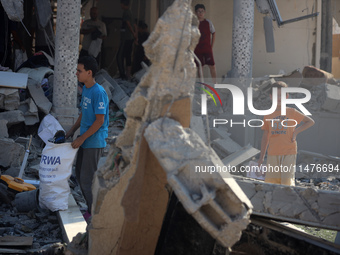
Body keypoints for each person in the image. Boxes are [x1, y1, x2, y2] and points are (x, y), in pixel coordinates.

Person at [66, 56, 109, 217]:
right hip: (84, 139)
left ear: (89, 72)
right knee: (79, 175)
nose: (76, 73)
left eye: (79, 71)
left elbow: (99, 121)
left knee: (87, 179)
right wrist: (72, 131)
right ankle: (91, 210)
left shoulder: (98, 92)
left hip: (94, 141)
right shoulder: (85, 89)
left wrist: (81, 138)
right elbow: (84, 113)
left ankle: (95, 214)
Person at [258, 81, 315, 186]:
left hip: (289, 151)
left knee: (286, 183)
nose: (279, 98)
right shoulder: (268, 115)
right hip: (273, 153)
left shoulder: (291, 112)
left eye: (281, 96)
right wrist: (261, 158)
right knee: (271, 183)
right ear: (271, 96)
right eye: (276, 96)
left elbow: (310, 121)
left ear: (287, 96)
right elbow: (265, 137)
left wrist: (296, 132)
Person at [194, 4, 217, 84]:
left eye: (202, 11)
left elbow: (213, 33)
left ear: (204, 12)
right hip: (197, 49)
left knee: (212, 66)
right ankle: (202, 85)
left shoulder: (208, 23)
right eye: (198, 11)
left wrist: (211, 46)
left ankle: (215, 84)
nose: (200, 13)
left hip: (207, 48)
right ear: (195, 12)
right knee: (200, 67)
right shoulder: (193, 23)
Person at [117, 0, 137, 80]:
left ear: (123, 4)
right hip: (130, 38)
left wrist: (132, 33)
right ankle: (128, 74)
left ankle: (123, 74)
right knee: (128, 55)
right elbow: (134, 24)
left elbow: (128, 24)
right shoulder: (131, 12)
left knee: (120, 56)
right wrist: (135, 35)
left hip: (126, 37)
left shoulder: (126, 12)